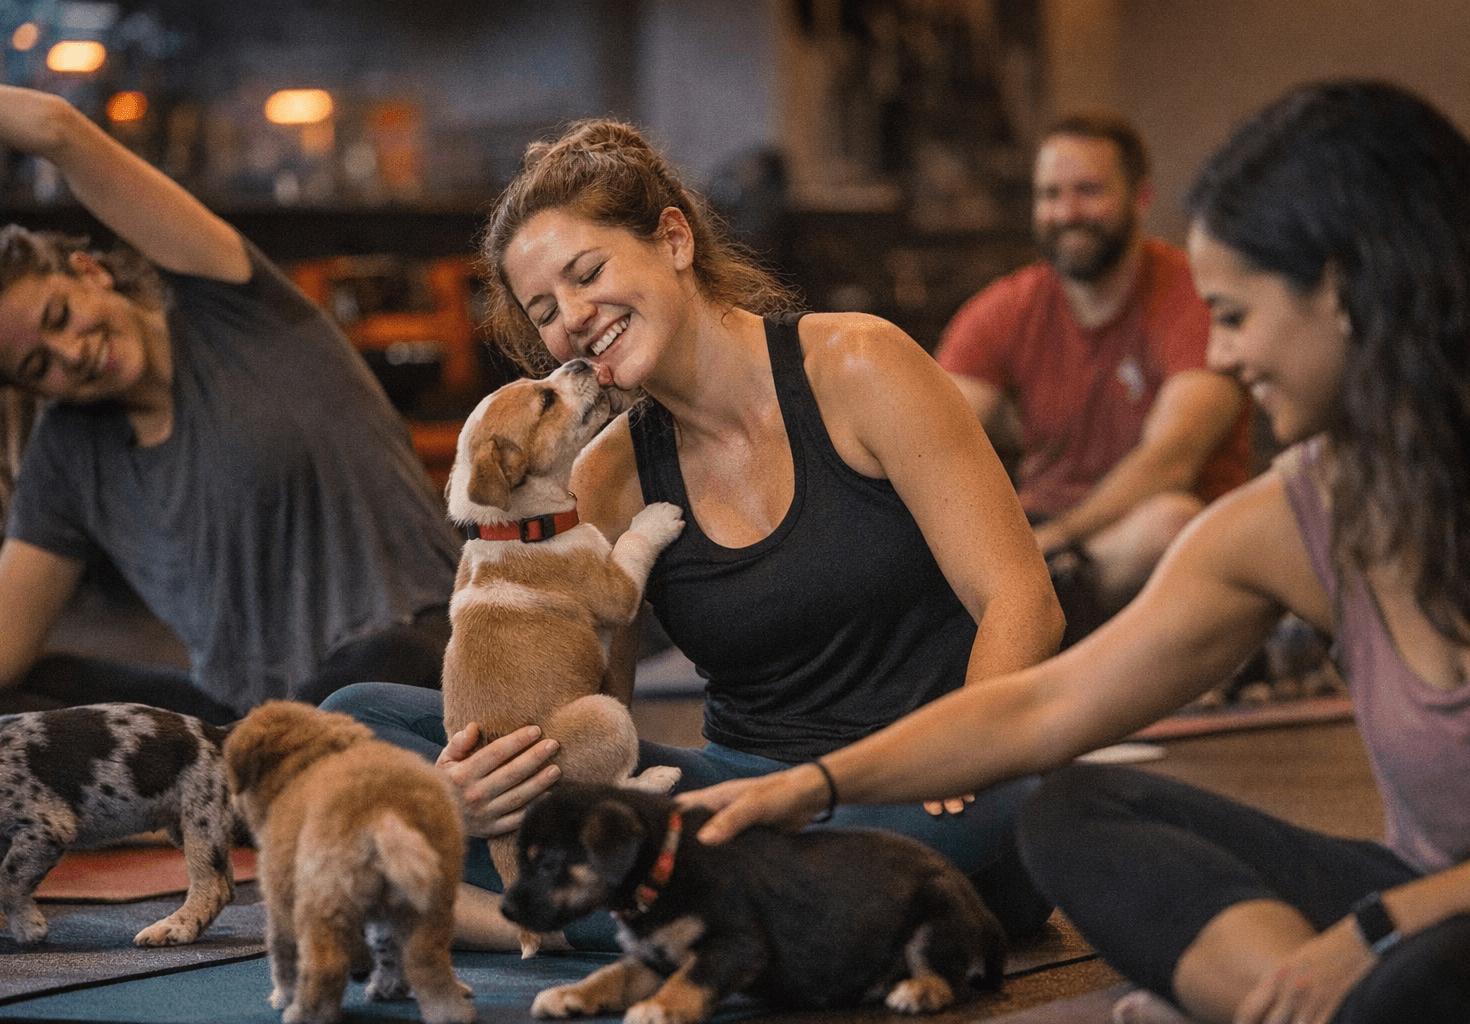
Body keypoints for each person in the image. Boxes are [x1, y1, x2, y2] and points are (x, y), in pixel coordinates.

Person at [682, 81, 1470, 1024]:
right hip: (1416, 910)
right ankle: (1318, 1004)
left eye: (1235, 313)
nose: (1220, 354)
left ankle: (1321, 996)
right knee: (1076, 813)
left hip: (1432, 924)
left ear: (1340, 291)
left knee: (1423, 963)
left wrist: (1380, 929)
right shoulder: (1294, 516)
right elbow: (1047, 707)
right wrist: (812, 786)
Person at [322, 117, 1065, 951]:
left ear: (673, 237)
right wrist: (460, 791)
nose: (572, 317)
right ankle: (722, 916)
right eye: (544, 311)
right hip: (735, 802)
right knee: (353, 720)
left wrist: (961, 751)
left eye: (587, 272)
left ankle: (510, 921)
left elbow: (1021, 600)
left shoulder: (860, 366)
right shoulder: (606, 476)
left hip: (922, 792)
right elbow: (595, 719)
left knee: (1016, 810)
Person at [0, 68, 461, 729]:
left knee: (371, 671)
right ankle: (243, 773)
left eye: (61, 314)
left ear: (90, 271)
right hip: (244, 716)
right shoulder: (70, 449)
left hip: (417, 660)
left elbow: (59, 131)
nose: (71, 352)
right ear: (30, 388)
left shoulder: (233, 306)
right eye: (40, 363)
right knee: (21, 692)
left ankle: (241, 773)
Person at [934, 111, 1249, 642]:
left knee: (1166, 522)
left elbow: (1169, 463)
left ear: (1140, 198)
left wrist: (1052, 544)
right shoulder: (1008, 306)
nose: (1067, 212)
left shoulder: (1191, 297)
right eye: (1050, 194)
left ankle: (1040, 635)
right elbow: (930, 436)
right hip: (1043, 543)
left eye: (1088, 191)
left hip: (1139, 546)